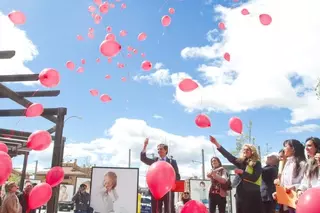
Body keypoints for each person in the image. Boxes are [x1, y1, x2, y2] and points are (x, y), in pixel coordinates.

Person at [209, 135, 262, 213]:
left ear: (252, 151)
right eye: (244, 150)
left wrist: (242, 172)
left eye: (247, 150)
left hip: (252, 194)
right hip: (240, 193)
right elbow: (229, 156)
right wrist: (216, 143)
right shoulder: (241, 162)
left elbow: (255, 178)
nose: (245, 151)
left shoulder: (257, 163)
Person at [140, 138, 181, 213]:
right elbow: (143, 158)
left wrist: (173, 184)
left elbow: (177, 176)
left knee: (168, 210)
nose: (159, 151)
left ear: (166, 150)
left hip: (168, 191)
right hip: (156, 190)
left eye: (161, 149)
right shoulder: (155, 160)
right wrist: (145, 146)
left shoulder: (172, 162)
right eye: (158, 149)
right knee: (156, 210)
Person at [273, 139, 306, 213]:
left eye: (285, 146)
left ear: (293, 149)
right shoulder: (287, 163)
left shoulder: (302, 164)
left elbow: (305, 183)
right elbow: (284, 183)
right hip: (286, 200)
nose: (284, 149)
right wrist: (278, 193)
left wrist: (294, 187)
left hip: (297, 200)